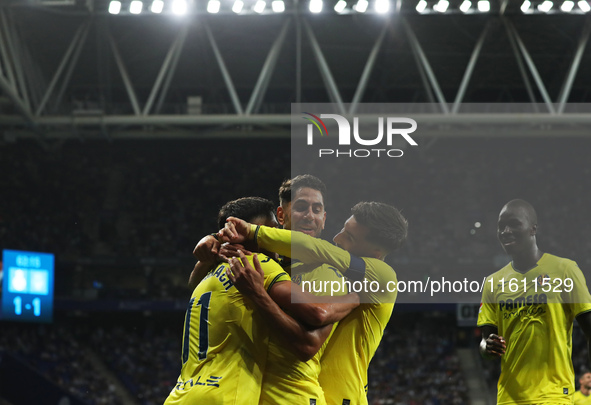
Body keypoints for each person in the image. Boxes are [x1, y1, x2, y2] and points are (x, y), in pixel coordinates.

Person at [164, 197, 356, 405]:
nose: (274, 238)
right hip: (225, 395)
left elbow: (192, 282)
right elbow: (316, 312)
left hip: (181, 394)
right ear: (245, 233)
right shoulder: (258, 264)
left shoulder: (206, 273)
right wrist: (356, 296)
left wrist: (214, 241)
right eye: (269, 231)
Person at [221, 200, 408, 405]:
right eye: (343, 229)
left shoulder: (383, 276)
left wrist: (251, 231)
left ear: (375, 254)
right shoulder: (332, 273)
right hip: (307, 393)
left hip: (342, 398)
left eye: (349, 237)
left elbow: (315, 248)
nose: (337, 238)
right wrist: (216, 240)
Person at [478, 199, 591, 405]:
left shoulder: (565, 269)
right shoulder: (492, 283)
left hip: (553, 394)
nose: (505, 231)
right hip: (508, 398)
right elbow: (485, 344)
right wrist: (488, 346)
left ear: (533, 229)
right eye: (501, 226)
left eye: (514, 224)